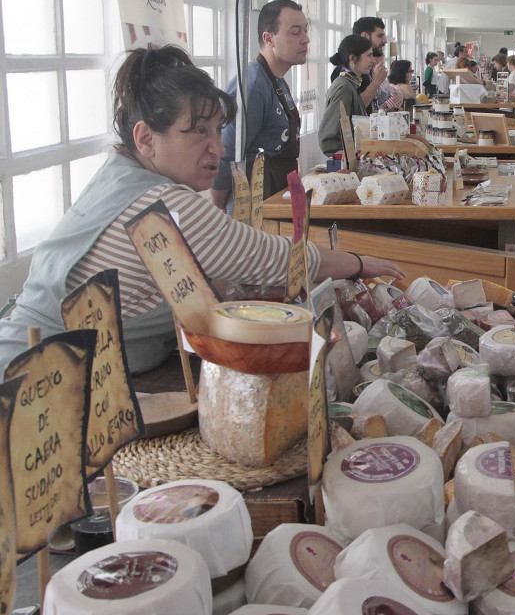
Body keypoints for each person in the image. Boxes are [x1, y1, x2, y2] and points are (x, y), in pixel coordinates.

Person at [0, 46, 404, 375]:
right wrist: (361, 262)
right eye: (198, 132)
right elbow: (279, 260)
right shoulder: (165, 205)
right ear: (145, 138)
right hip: (31, 387)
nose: (217, 147)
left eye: (216, 131)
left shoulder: (117, 175)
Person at [211, 0, 307, 209]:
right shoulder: (253, 86)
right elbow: (226, 154)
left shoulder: (277, 80)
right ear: (268, 38)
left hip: (275, 202)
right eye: (295, 32)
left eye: (306, 31)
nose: (305, 40)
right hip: (251, 210)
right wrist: (219, 212)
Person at [319, 35, 373, 157]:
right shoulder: (344, 88)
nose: (373, 60)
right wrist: (348, 157)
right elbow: (329, 137)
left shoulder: (351, 84)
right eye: (369, 55)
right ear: (353, 58)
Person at [328, 15, 388, 111]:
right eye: (380, 36)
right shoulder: (344, 75)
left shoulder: (365, 70)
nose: (385, 40)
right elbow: (356, 108)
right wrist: (376, 81)